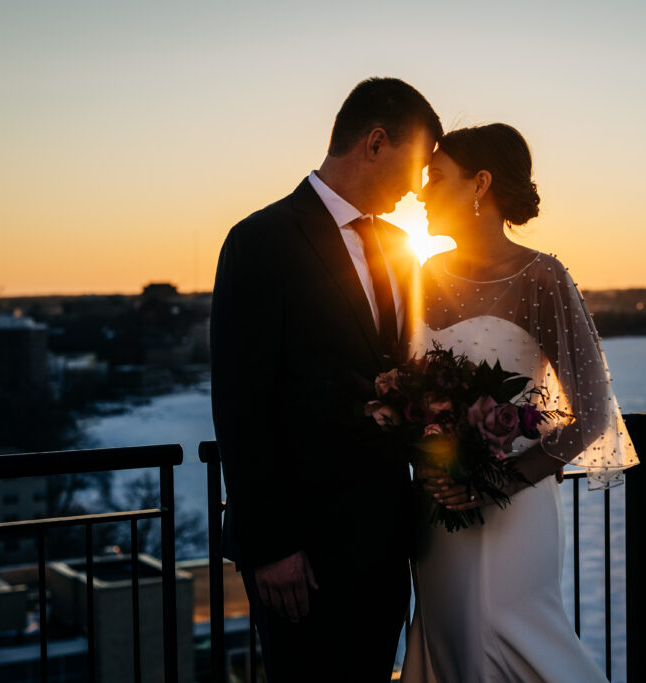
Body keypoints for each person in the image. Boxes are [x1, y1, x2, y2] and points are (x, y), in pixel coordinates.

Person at [210, 77, 441, 682]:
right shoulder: (259, 240)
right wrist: (272, 546)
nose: (418, 191)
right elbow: (240, 404)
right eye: (416, 168)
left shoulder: (399, 247)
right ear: (375, 143)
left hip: (386, 544)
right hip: (301, 553)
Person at [400, 123, 639, 682]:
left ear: (479, 183)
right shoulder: (422, 274)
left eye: (436, 177)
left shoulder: (541, 276)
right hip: (437, 510)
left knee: (508, 632)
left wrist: (495, 481)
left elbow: (594, 412)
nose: (421, 191)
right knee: (449, 635)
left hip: (513, 506)